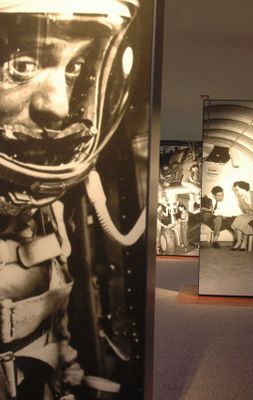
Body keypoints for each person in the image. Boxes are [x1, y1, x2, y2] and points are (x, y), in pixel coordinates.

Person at [0, 1, 141, 398]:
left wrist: (67, 370)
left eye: (74, 68)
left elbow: (54, 326)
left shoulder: (49, 211)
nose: (60, 107)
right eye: (22, 67)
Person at [231, 181, 253, 251]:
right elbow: (245, 210)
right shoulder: (240, 198)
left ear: (243, 188)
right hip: (250, 214)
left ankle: (245, 241)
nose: (236, 192)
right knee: (239, 218)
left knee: (246, 220)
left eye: (237, 190)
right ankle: (239, 241)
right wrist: (250, 212)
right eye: (235, 190)